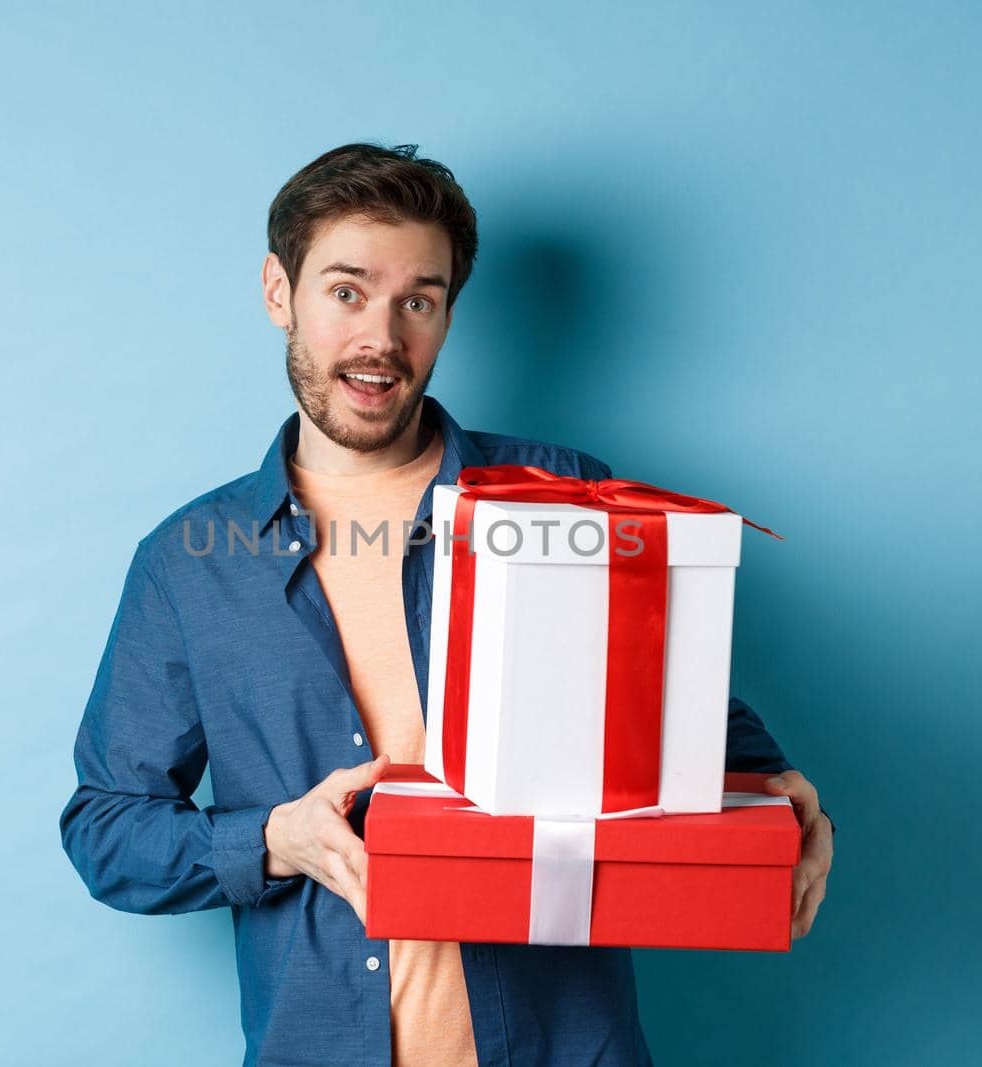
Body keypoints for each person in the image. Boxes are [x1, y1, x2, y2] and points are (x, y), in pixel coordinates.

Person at [58, 142, 834, 1067]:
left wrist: (776, 791)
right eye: (347, 291)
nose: (381, 337)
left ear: (447, 314)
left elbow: (665, 713)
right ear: (280, 293)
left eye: (416, 300)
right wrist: (276, 838)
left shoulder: (568, 496)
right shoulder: (189, 563)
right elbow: (107, 828)